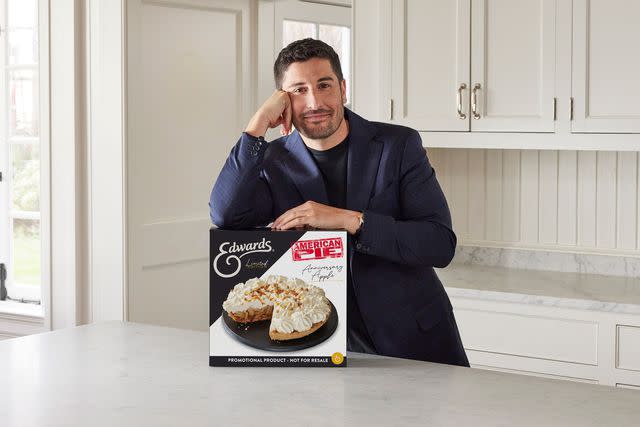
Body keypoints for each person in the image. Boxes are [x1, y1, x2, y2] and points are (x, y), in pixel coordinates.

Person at [209, 38, 469, 367]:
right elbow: (225, 214)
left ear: (342, 89)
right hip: (320, 345)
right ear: (282, 101)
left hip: (414, 341)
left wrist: (351, 221)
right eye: (299, 90)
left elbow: (439, 244)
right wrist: (257, 125)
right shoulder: (272, 160)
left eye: (324, 85)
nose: (315, 101)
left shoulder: (399, 145)